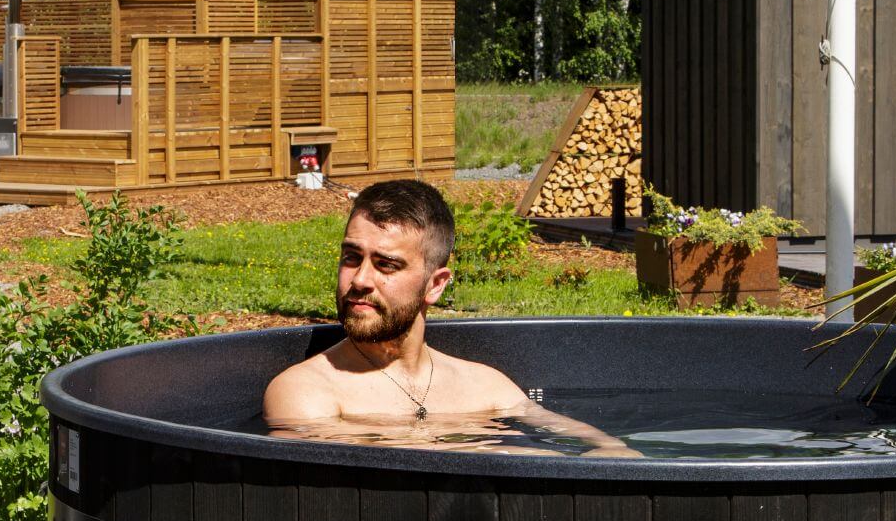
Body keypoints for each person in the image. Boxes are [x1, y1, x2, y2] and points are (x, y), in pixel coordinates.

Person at [263, 178, 636, 456]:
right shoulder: (306, 394)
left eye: (386, 265)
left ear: (435, 285)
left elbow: (608, 449)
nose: (360, 280)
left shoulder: (485, 385)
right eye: (351, 257)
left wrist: (611, 450)